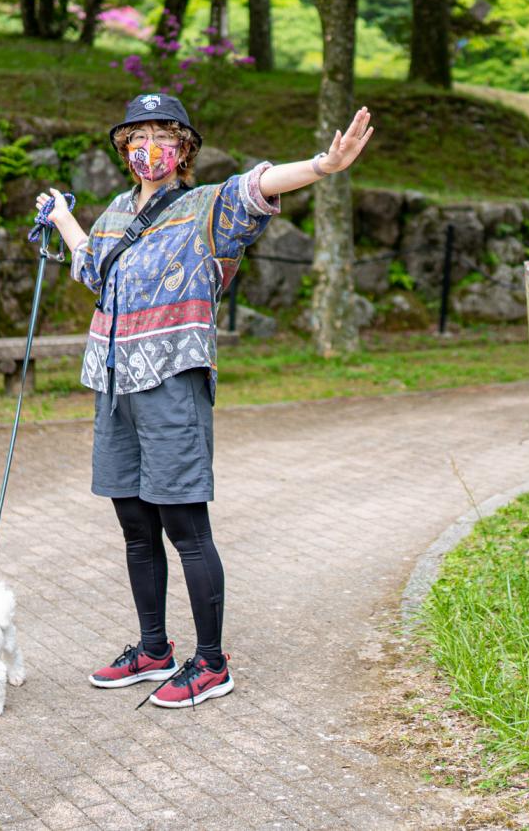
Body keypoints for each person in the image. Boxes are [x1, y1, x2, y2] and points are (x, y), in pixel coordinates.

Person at [41, 93, 373, 708]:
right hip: (114, 386)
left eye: (163, 135)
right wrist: (62, 215)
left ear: (184, 148)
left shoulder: (204, 209)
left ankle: (212, 663)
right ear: (124, 149)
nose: (149, 148)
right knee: (135, 527)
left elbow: (258, 185)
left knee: (184, 526)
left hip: (171, 381)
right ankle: (152, 650)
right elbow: (91, 267)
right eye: (136, 138)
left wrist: (323, 167)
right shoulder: (115, 212)